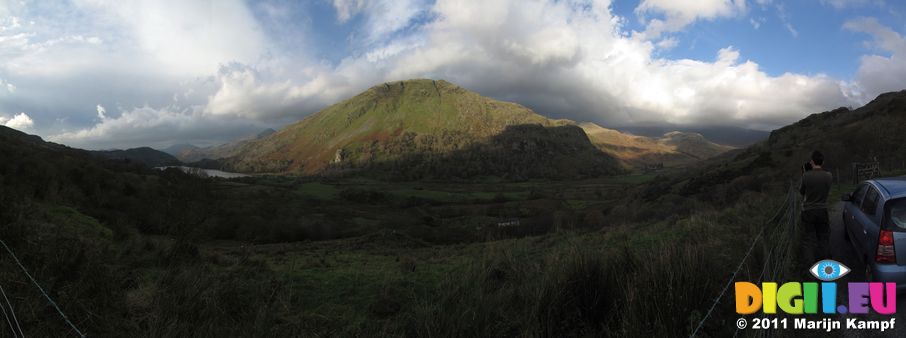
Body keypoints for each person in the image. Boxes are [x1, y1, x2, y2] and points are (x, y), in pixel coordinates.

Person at [799, 150, 833, 263]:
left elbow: (802, 192)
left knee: (808, 240)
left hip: (808, 211)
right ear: (822, 162)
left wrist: (805, 174)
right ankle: (826, 265)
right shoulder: (829, 176)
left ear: (812, 162)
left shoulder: (805, 176)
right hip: (822, 210)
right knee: (823, 237)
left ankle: (810, 269)